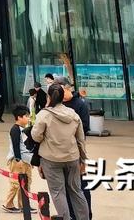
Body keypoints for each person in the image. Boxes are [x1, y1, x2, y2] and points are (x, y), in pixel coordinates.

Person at [31, 82, 89, 220]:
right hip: (72, 158)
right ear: (63, 97)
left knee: (58, 192)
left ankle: (65, 218)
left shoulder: (44, 115)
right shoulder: (73, 114)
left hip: (51, 159)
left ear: (49, 97)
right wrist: (83, 159)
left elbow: (36, 136)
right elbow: (81, 139)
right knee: (76, 191)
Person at [64, 82, 94, 215]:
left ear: (68, 89)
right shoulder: (55, 105)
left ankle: (86, 214)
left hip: (76, 150)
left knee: (80, 184)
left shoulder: (80, 104)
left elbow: (85, 127)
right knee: (66, 186)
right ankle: (71, 214)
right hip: (61, 153)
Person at [2, 105, 35, 214]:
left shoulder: (24, 129)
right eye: (26, 116)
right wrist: (17, 159)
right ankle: (8, 204)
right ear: (19, 117)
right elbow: (15, 145)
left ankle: (24, 204)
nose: (28, 118)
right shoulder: (15, 129)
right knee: (15, 183)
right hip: (18, 161)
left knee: (26, 183)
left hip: (26, 160)